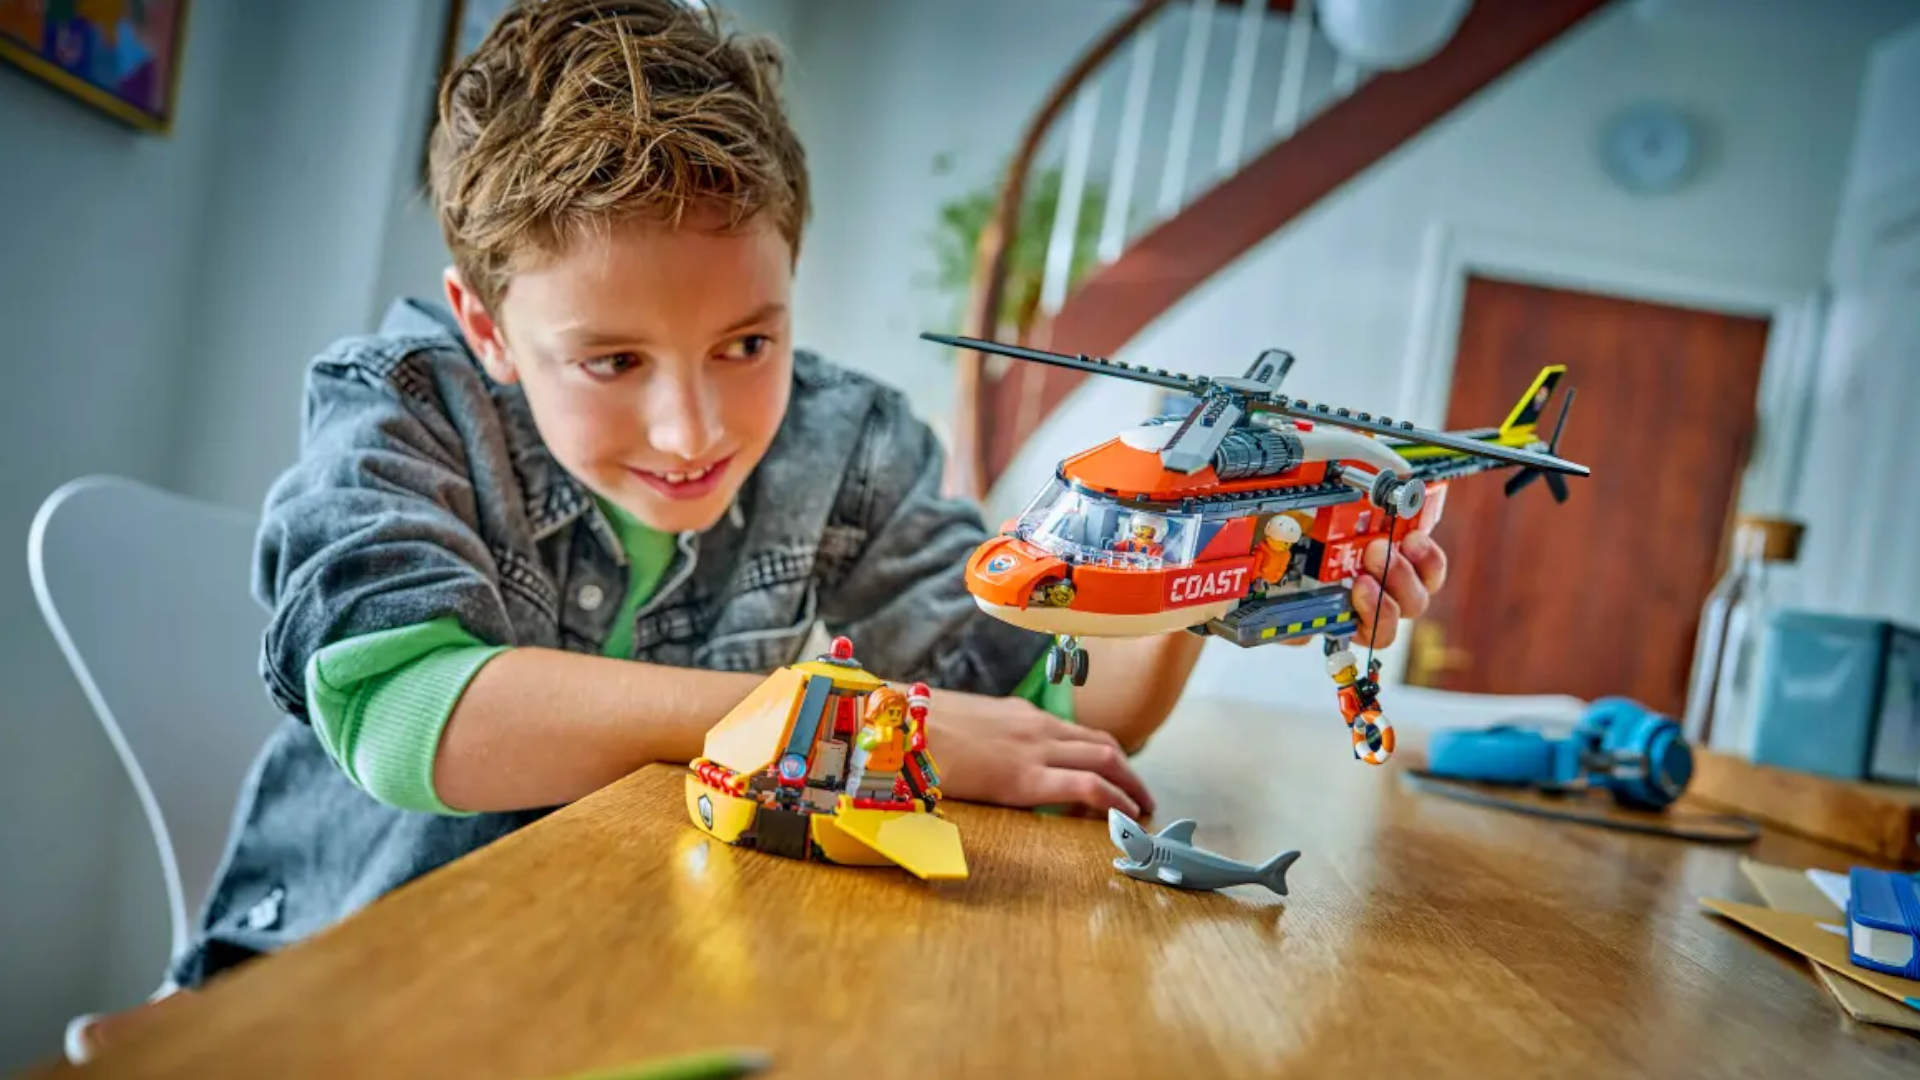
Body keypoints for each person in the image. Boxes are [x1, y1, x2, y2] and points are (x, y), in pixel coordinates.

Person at [140, 0, 1447, 1006]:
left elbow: (1058, 706)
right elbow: (407, 714)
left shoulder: (848, 439)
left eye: (748, 344)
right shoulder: (404, 407)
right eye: (613, 362)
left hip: (639, 986)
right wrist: (888, 727)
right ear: (485, 323)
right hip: (349, 985)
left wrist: (1202, 564)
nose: (694, 427)